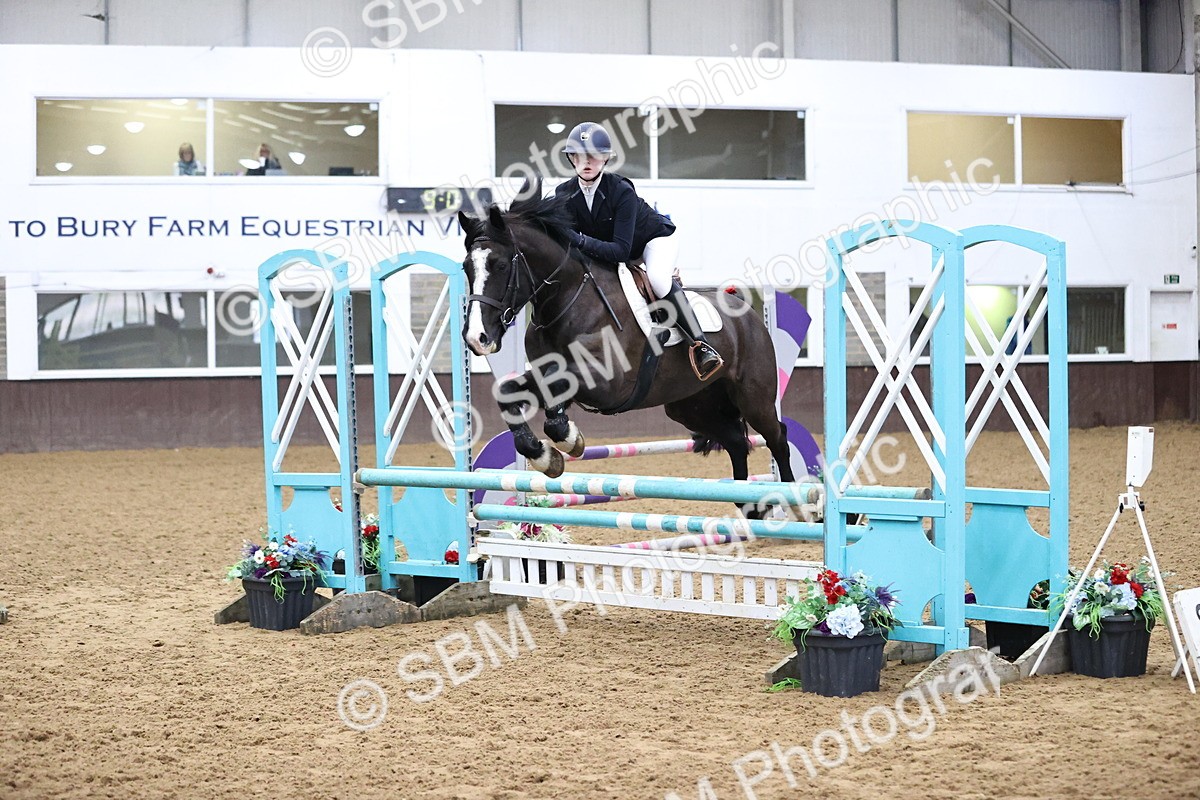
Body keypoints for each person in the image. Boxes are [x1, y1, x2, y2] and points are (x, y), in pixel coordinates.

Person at [553, 121, 724, 381]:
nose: (587, 161)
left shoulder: (621, 190)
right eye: (580, 155)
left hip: (652, 242)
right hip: (609, 250)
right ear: (571, 159)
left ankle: (701, 345)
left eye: (594, 155)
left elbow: (621, 251)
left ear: (605, 159)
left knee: (656, 279)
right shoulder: (563, 193)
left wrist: (578, 240)